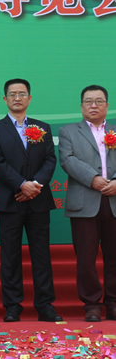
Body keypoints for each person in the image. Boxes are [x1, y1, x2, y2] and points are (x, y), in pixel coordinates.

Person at [0, 79, 61, 323]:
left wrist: (34, 185)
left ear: (29, 98)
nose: (17, 98)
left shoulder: (43, 127)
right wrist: (21, 185)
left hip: (38, 200)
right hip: (9, 200)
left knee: (41, 254)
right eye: (12, 94)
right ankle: (13, 306)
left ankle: (45, 305)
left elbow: (50, 160)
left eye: (22, 94)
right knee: (10, 255)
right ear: (4, 99)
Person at [59, 85, 116, 322]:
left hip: (114, 200)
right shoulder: (68, 131)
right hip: (84, 201)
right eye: (88, 101)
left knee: (114, 256)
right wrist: (92, 178)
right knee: (85, 258)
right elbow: (67, 159)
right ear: (81, 106)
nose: (94, 105)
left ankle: (113, 303)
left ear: (107, 106)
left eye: (99, 101)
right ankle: (91, 304)